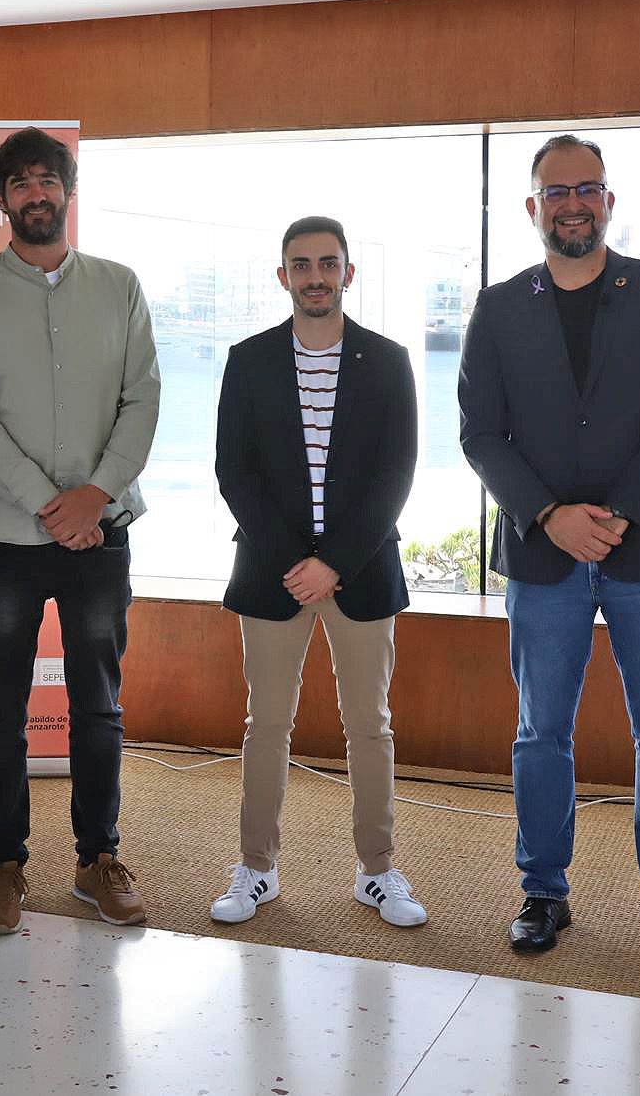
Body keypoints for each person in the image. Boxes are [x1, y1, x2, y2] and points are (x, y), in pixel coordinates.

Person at [458, 133, 640, 969]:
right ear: (532, 207)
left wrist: (614, 513)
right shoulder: (497, 307)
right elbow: (480, 432)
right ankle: (544, 891)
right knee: (541, 733)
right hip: (544, 558)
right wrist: (547, 515)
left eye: (588, 188)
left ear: (609, 200)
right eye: (555, 190)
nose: (573, 202)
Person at [0, 127, 161, 933]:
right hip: (5, 540)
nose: (35, 194)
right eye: (19, 182)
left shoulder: (119, 285)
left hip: (100, 533)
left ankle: (98, 857)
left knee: (99, 704)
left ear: (69, 189)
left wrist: (93, 494)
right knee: (2, 705)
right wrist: (47, 501)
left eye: (47, 179)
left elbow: (143, 399)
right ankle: (5, 862)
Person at [209, 216, 426, 928]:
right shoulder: (248, 359)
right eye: (300, 264)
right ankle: (257, 869)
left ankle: (377, 871)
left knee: (371, 724)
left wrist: (332, 563)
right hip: (272, 574)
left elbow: (396, 473)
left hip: (361, 571)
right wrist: (296, 563)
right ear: (283, 277)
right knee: (265, 723)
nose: (315, 276)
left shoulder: (390, 360)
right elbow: (234, 471)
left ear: (348, 273)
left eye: (328, 263)